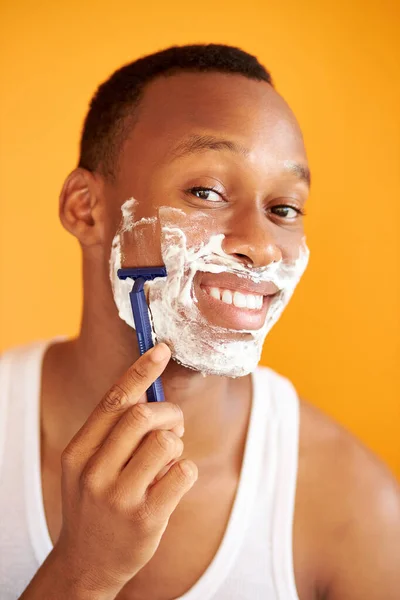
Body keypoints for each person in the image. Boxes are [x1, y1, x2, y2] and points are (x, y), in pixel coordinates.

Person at [0, 44, 399, 600]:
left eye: (283, 209)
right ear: (85, 209)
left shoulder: (355, 507)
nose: (260, 247)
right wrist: (82, 573)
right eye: (206, 192)